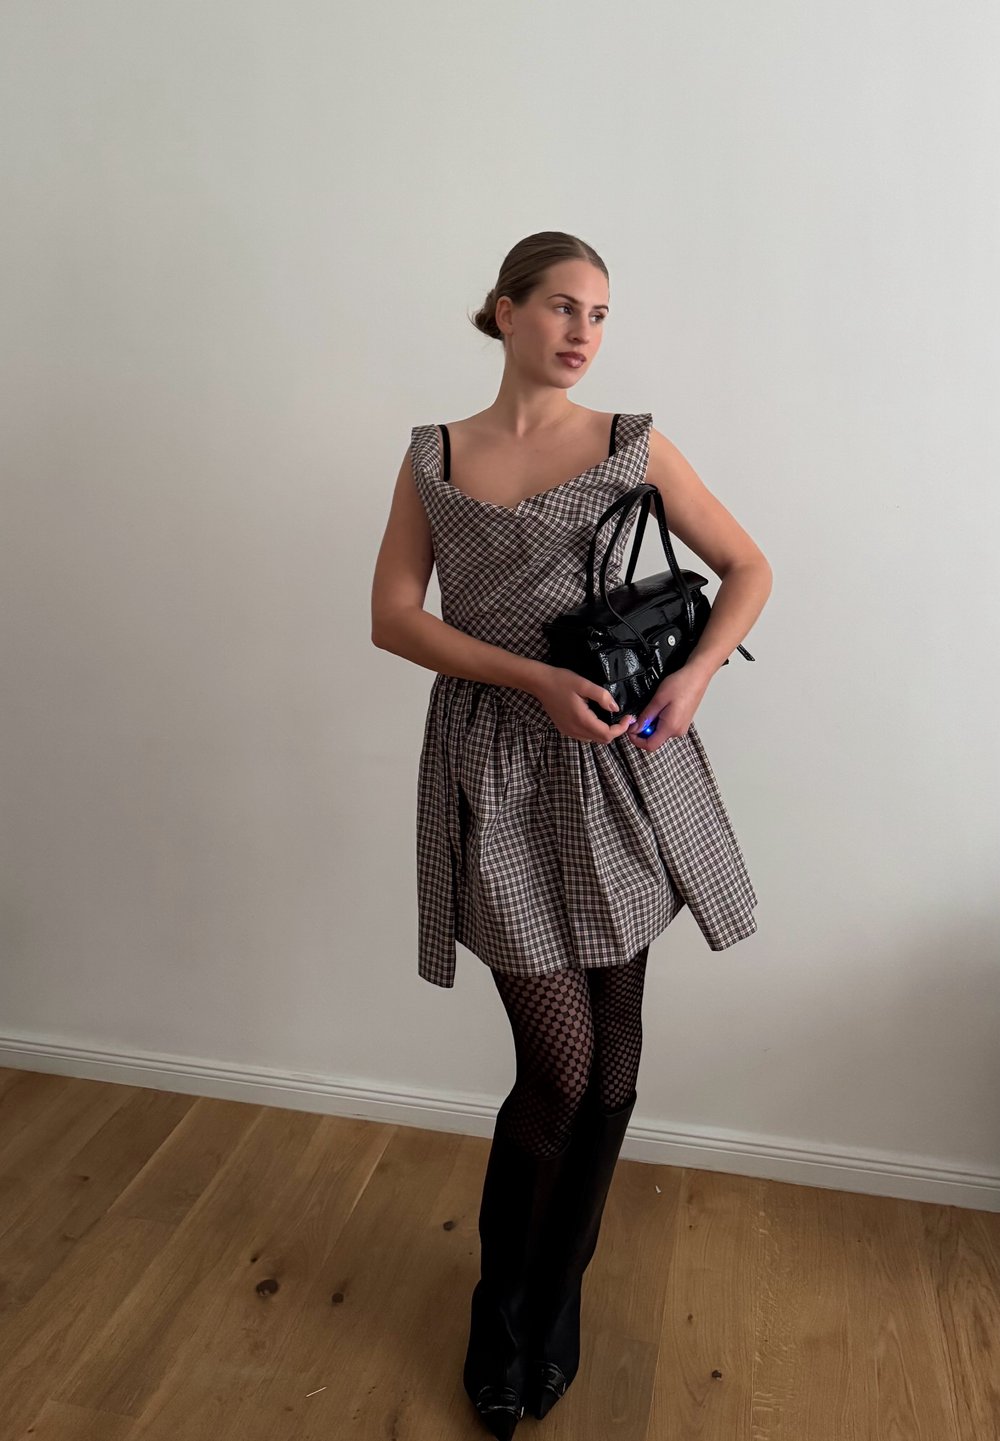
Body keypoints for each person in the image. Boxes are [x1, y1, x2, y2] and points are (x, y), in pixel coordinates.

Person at [370, 231, 772, 1437]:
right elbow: (392, 616)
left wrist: (695, 676)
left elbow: (746, 566)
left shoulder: (628, 444)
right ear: (502, 310)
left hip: (622, 780)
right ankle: (503, 1312)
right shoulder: (434, 456)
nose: (582, 329)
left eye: (598, 311)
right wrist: (527, 680)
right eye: (559, 305)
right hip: (497, 767)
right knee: (557, 1068)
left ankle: (557, 1301)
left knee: (616, 1057)